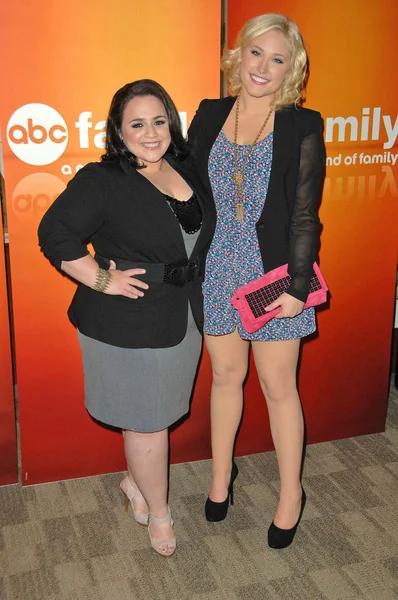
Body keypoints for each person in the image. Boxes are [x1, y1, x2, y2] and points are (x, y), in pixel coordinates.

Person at [38, 79, 216, 557]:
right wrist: (101, 279)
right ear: (118, 130)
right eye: (137, 123)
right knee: (147, 424)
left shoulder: (184, 167)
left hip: (182, 315)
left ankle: (135, 483)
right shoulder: (104, 179)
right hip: (126, 323)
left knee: (154, 418)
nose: (151, 132)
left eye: (159, 121)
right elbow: (54, 233)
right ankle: (159, 513)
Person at [188, 14, 325, 548]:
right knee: (224, 378)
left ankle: (292, 493)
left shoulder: (301, 124)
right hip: (217, 268)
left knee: (278, 387)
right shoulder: (208, 115)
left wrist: (295, 285)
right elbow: (188, 194)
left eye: (278, 59)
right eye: (255, 53)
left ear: (291, 70)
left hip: (272, 275)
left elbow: (305, 213)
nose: (263, 67)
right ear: (237, 55)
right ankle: (222, 476)